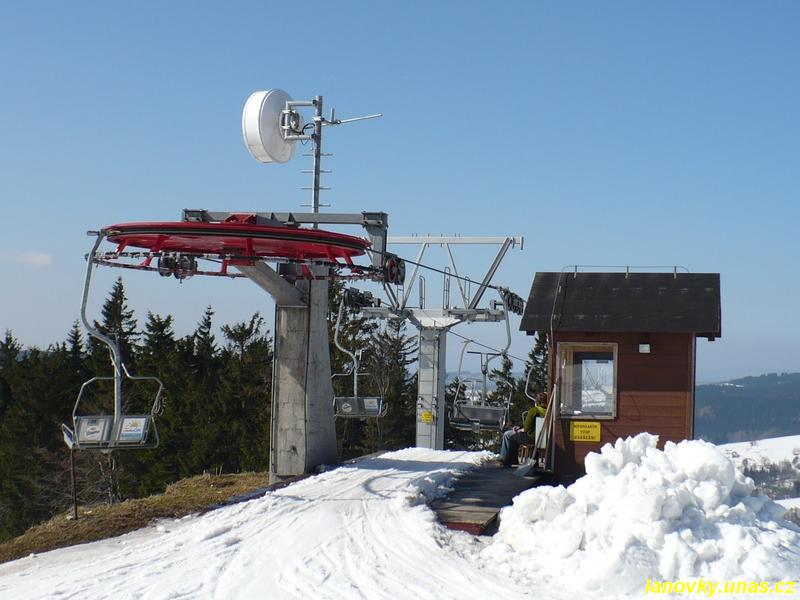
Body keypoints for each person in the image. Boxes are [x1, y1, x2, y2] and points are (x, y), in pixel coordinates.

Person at [499, 392, 547, 467]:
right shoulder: (548, 411)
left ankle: (509, 461)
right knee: (513, 435)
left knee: (512, 438)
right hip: (544, 438)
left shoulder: (534, 410)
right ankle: (510, 460)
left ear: (537, 401)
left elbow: (526, 427)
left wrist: (519, 430)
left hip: (532, 437)